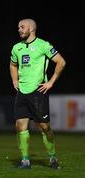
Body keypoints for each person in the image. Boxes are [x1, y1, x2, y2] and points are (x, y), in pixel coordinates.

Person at [10, 18, 66, 169]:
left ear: (31, 28)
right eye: (18, 27)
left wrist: (51, 82)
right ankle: (25, 161)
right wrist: (15, 81)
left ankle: (53, 157)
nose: (19, 29)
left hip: (38, 92)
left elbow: (61, 62)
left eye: (22, 27)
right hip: (22, 92)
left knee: (44, 127)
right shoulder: (17, 48)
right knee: (20, 126)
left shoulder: (43, 45)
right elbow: (13, 64)